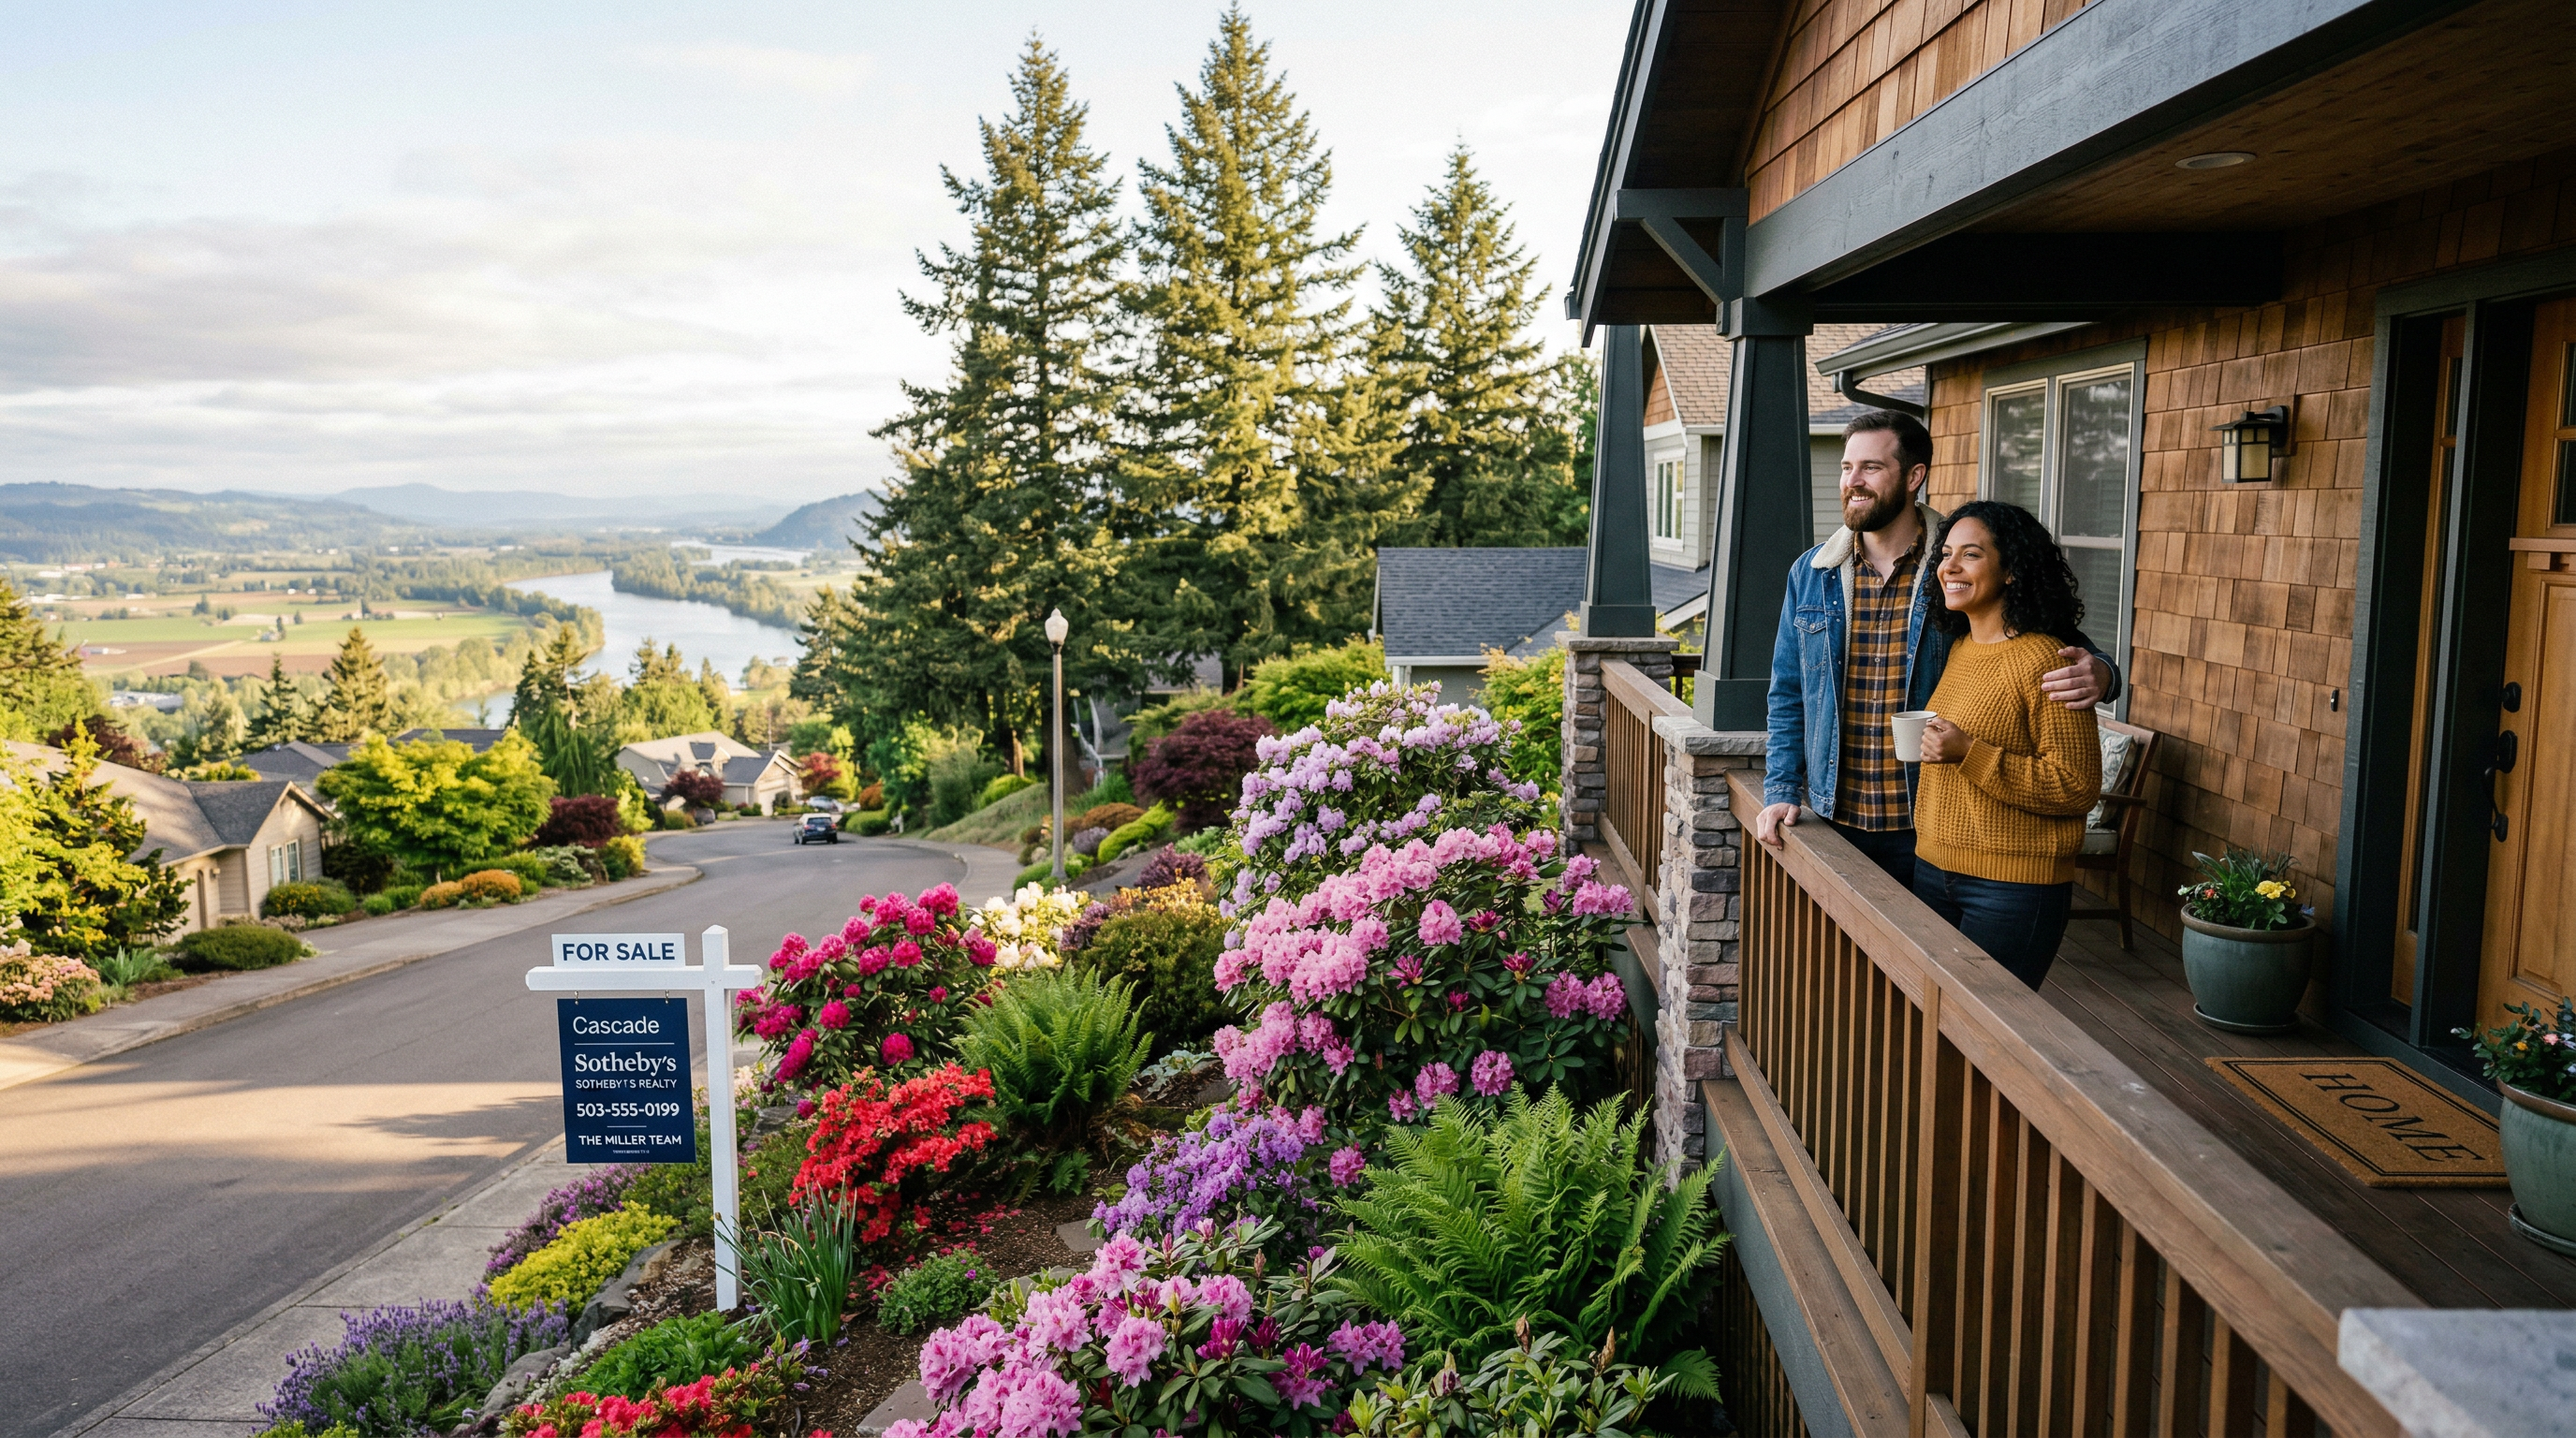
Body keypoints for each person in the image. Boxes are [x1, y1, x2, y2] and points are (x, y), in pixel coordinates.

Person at [1755, 410, 2117, 889]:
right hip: (1834, 814)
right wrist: (1782, 787)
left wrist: (2104, 673)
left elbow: (2061, 637)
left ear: (1914, 476)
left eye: (1871, 468)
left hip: (1927, 820)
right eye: (1846, 467)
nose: (1853, 481)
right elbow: (1788, 691)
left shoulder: (1954, 566)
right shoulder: (1813, 573)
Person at [1910, 502, 2101, 989]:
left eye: (1970, 555)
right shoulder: (1960, 649)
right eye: (1946, 554)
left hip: (2012, 886)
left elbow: (2077, 786)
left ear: (2012, 570)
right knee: (1931, 1029)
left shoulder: (2044, 659)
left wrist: (1970, 753)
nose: (1949, 567)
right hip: (1934, 868)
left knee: (1984, 1039)